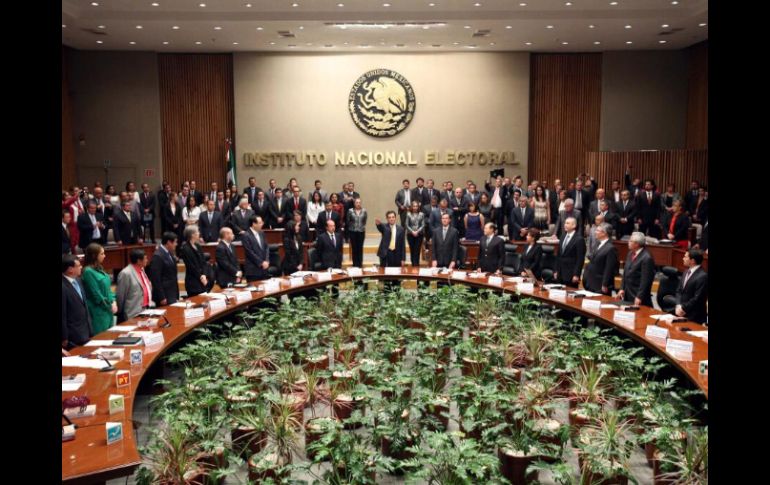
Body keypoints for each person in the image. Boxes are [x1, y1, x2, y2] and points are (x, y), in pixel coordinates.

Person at [81, 243, 118, 333]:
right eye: (102, 254)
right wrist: (110, 305)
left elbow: (108, 290)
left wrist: (114, 301)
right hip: (98, 312)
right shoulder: (88, 271)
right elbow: (96, 294)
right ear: (94, 256)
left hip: (108, 310)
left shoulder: (99, 268)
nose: (104, 256)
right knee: (102, 338)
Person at [62, 254, 93, 349]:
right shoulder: (62, 286)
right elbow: (62, 314)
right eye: (78, 265)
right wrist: (64, 337)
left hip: (85, 332)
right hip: (72, 336)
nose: (81, 267)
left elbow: (83, 305)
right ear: (70, 269)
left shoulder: (78, 280)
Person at [617, 232, 655, 306]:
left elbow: (645, 280)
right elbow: (625, 273)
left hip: (638, 296)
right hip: (628, 293)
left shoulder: (647, 258)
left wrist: (639, 296)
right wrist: (622, 288)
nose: (628, 242)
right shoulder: (630, 253)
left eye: (631, 241)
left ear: (637, 244)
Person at [116, 249, 153, 321]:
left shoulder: (142, 270)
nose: (147, 260)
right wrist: (120, 312)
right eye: (145, 258)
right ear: (139, 261)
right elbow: (121, 296)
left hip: (145, 309)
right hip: (132, 312)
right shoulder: (126, 273)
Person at [581, 223, 618, 296]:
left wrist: (605, 284)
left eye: (597, 230)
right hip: (591, 281)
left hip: (600, 284)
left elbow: (609, 268)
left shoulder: (611, 248)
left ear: (604, 233)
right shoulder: (598, 243)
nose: (595, 232)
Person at [674, 249, 708, 324]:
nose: (683, 258)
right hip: (681, 312)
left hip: (695, 316)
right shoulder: (686, 271)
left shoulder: (703, 276)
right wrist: (678, 305)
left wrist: (683, 308)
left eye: (685, 257)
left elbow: (697, 298)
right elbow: (679, 290)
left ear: (692, 261)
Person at [179, 226, 214, 296]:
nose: (199, 233)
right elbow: (191, 266)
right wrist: (200, 277)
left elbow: (203, 262)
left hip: (202, 279)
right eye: (197, 232)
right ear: (192, 235)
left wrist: (204, 275)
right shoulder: (185, 248)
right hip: (193, 281)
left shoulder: (198, 246)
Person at [148, 231, 180, 306]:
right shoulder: (158, 256)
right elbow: (156, 279)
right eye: (175, 242)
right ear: (168, 242)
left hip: (171, 293)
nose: (176, 244)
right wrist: (161, 297)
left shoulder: (169, 253)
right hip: (164, 296)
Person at [554, 216, 585, 288]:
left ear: (574, 225)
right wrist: (556, 270)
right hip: (560, 273)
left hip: (571, 274)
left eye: (567, 223)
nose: (565, 225)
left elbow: (580, 259)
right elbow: (558, 255)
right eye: (565, 223)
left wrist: (576, 274)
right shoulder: (562, 236)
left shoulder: (579, 239)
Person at [242, 215, 272, 280]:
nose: (262, 224)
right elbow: (249, 252)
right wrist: (261, 262)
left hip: (264, 269)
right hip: (253, 270)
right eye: (260, 223)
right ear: (254, 224)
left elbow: (266, 247)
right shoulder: (246, 235)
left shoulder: (262, 233)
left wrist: (266, 261)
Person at [346, 198, 367, 268]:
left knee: (360, 248)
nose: (358, 204)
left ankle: (360, 264)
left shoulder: (364, 211)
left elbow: (364, 221)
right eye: (356, 202)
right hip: (352, 232)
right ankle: (355, 264)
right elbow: (348, 221)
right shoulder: (350, 211)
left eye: (359, 202)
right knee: (354, 248)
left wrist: (361, 227)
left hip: (361, 232)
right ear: (354, 203)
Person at [405, 200, 426, 267]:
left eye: (416, 206)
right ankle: (413, 264)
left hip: (419, 235)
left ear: (418, 207)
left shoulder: (421, 214)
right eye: (414, 206)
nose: (415, 207)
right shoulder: (408, 214)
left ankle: (416, 265)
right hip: (410, 234)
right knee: (412, 250)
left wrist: (417, 231)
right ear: (412, 207)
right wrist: (412, 232)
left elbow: (423, 225)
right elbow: (406, 225)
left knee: (417, 250)